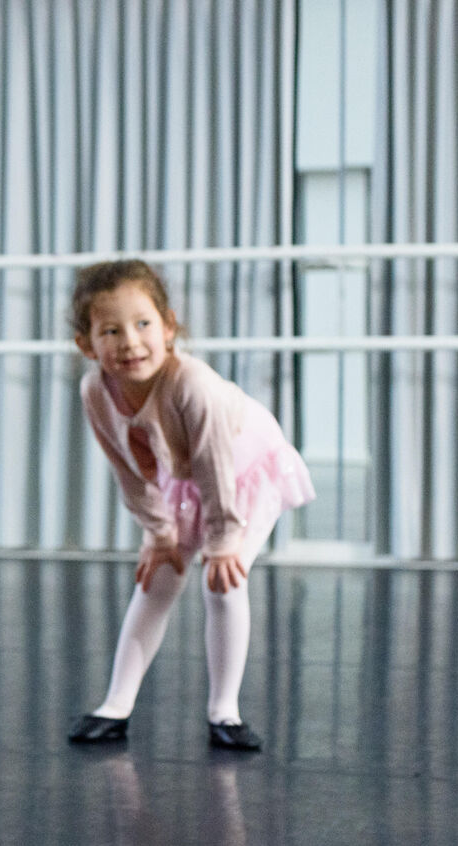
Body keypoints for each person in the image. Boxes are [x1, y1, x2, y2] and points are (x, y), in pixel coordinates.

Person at [66, 259, 314, 751]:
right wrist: (159, 535)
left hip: (243, 469)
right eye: (110, 331)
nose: (130, 342)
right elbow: (129, 470)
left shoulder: (192, 385)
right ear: (87, 344)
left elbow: (217, 470)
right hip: (184, 471)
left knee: (223, 581)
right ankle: (116, 705)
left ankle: (225, 711)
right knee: (159, 576)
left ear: (169, 327)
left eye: (142, 325)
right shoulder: (95, 390)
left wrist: (223, 543)